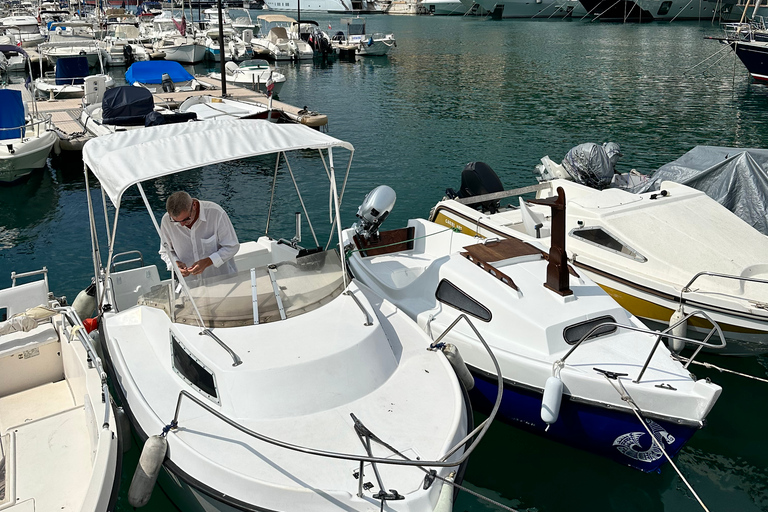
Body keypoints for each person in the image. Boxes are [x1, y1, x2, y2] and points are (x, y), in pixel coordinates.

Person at [159, 191, 240, 280]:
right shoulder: (166, 220)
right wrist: (175, 263)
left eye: (186, 219)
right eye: (176, 221)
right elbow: (165, 251)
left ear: (194, 205)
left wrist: (208, 261)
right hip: (189, 284)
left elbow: (232, 246)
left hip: (221, 279)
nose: (182, 224)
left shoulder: (216, 213)